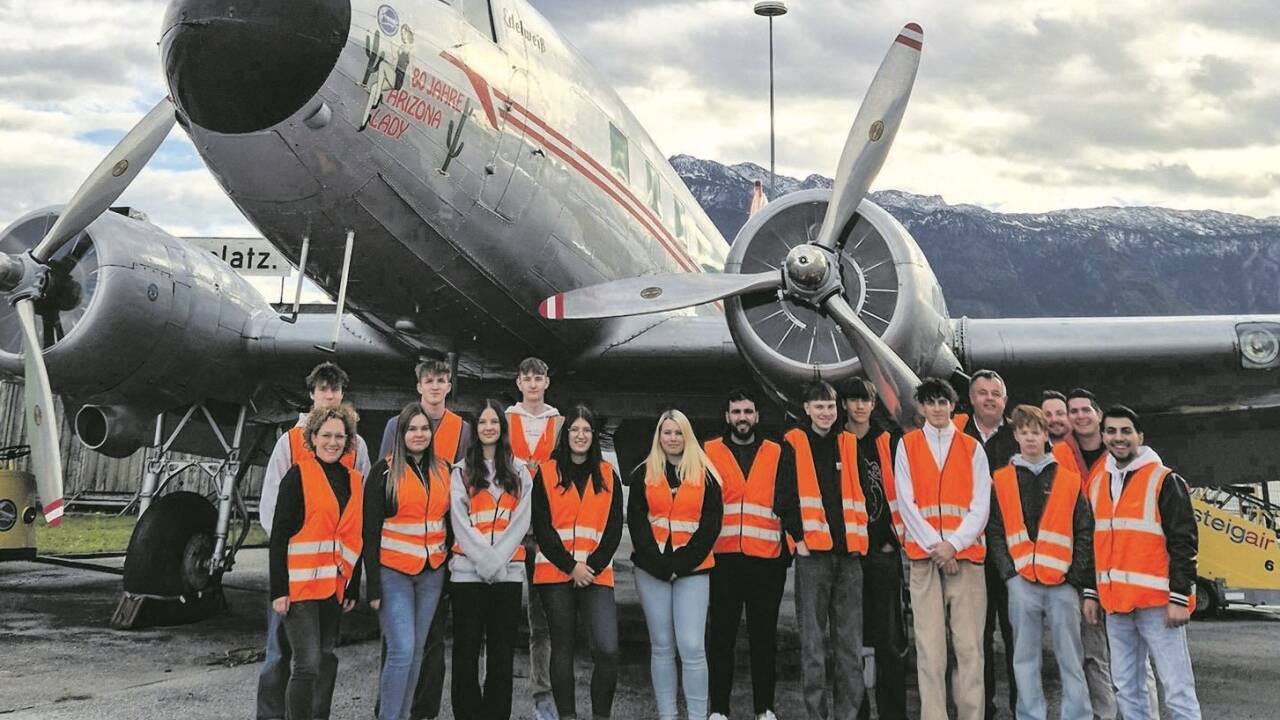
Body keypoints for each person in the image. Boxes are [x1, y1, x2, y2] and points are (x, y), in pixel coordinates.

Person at [257, 362, 370, 720]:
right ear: (312, 395)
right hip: (296, 574)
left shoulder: (356, 446)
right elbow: (272, 506)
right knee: (281, 654)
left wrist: (350, 578)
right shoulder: (289, 442)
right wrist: (281, 578)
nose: (329, 395)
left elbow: (357, 515)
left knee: (322, 656)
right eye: (323, 389)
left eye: (335, 390)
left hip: (332, 580)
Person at [1088, 406, 1201, 720]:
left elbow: (1184, 543)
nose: (1118, 438)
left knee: (1177, 688)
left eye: (1126, 431)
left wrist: (1180, 597)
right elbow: (1094, 542)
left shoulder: (1165, 480)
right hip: (1117, 605)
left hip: (1159, 605)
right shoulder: (1099, 481)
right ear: (1103, 436)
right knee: (1127, 687)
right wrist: (1091, 592)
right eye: (1111, 431)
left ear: (1140, 436)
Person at [377, 359, 472, 720]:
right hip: (399, 558)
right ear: (419, 386)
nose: (435, 386)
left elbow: (461, 496)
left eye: (441, 380)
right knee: (398, 644)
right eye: (428, 381)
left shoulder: (462, 430)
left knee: (430, 643)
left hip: (436, 556)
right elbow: (384, 483)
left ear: (450, 386)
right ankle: (385, 710)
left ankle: (424, 712)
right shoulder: (394, 426)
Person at [986, 405, 1094, 720]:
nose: (1030, 437)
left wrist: (1075, 578)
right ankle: (1030, 715)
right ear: (1016, 435)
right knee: (1024, 658)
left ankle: (1078, 715)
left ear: (1046, 436)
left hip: (1062, 584)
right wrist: (1009, 575)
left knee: (1071, 659)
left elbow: (1084, 529)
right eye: (1024, 432)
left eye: (1036, 431)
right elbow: (995, 530)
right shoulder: (1002, 480)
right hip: (1021, 583)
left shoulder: (1069, 480)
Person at [895, 377, 991, 720]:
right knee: (930, 651)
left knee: (968, 649)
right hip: (925, 561)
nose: (937, 408)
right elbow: (906, 502)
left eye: (943, 402)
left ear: (952, 406)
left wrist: (952, 545)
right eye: (930, 402)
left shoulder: (972, 447)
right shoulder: (906, 446)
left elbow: (981, 504)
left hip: (965, 560)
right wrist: (937, 547)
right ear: (921, 407)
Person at [774, 380, 869, 720]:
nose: (826, 412)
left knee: (849, 645)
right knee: (813, 646)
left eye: (830, 406)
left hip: (849, 557)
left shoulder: (849, 443)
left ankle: (847, 714)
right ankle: (817, 714)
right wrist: (799, 540)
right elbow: (782, 499)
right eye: (819, 407)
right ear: (807, 410)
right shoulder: (794, 444)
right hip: (813, 557)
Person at [628, 409, 723, 720]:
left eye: (678, 432)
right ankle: (667, 715)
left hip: (692, 569)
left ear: (688, 436)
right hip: (650, 568)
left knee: (693, 646)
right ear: (658, 437)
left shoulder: (707, 475)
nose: (672, 438)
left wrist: (680, 564)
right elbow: (638, 523)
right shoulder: (642, 472)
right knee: (662, 646)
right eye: (666, 432)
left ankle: (697, 716)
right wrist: (658, 564)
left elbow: (711, 526)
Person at [531, 405, 624, 720]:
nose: (581, 435)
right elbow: (542, 529)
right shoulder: (546, 472)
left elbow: (613, 529)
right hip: (556, 573)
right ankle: (567, 716)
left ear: (593, 436)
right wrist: (571, 566)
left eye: (586, 430)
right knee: (563, 647)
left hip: (596, 574)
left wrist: (590, 567)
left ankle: (601, 716)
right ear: (565, 434)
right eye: (575, 430)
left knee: (607, 649)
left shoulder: (609, 475)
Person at [363, 403, 452, 720]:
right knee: (401, 650)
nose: (419, 434)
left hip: (431, 575)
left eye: (424, 428)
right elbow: (369, 531)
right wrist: (372, 585)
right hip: (394, 573)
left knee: (416, 653)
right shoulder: (383, 471)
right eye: (412, 428)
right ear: (400, 434)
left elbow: (449, 525)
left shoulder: (444, 470)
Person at [704, 389, 788, 720]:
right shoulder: (709, 451)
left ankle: (764, 708)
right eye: (736, 411)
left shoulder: (776, 452)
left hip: (766, 561)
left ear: (757, 416)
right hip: (722, 560)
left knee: (764, 638)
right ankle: (719, 709)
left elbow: (787, 499)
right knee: (721, 638)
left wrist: (786, 553)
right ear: (727, 417)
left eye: (748, 411)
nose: (742, 417)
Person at [449, 400, 533, 720]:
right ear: (475, 429)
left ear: (502, 427)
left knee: (501, 656)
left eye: (494, 422)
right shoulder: (461, 471)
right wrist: (485, 562)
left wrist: (496, 563)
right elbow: (460, 521)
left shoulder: (520, 471)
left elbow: (521, 521)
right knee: (465, 653)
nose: (488, 428)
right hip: (467, 576)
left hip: (507, 575)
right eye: (482, 422)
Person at [1049, 388, 1117, 720]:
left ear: (1098, 414)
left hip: (1118, 566)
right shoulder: (1059, 454)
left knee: (1129, 653)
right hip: (1078, 567)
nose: (1079, 415)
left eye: (1085, 409)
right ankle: (1101, 714)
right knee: (1089, 653)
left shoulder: (1122, 453)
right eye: (1072, 410)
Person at [843, 379, 908, 720]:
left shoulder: (889, 442)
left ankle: (894, 712)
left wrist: (890, 540)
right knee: (850, 640)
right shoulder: (835, 443)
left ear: (873, 404)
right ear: (844, 405)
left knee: (889, 640)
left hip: (882, 552)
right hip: (848, 554)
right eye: (853, 399)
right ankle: (857, 712)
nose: (859, 406)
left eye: (865, 400)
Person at [958, 369, 1017, 720]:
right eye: (983, 392)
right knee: (975, 640)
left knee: (1016, 638)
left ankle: (1022, 707)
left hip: (1010, 555)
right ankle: (983, 709)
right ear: (971, 398)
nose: (990, 398)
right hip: (970, 554)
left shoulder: (1019, 436)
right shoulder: (954, 436)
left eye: (996, 393)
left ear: (1005, 401)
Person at [507, 357, 563, 720]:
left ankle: (544, 694)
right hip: (510, 530)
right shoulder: (506, 418)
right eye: (526, 378)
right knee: (503, 616)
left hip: (545, 531)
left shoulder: (558, 423)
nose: (532, 384)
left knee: (543, 621)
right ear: (518, 382)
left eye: (538, 378)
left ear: (546, 382)